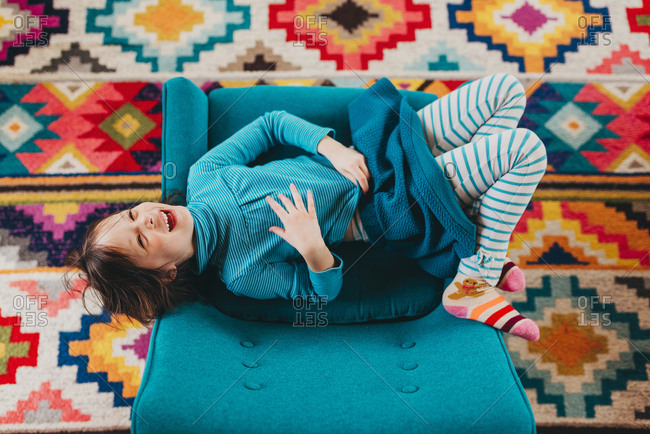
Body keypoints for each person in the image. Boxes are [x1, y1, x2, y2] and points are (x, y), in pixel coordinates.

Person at [64, 73, 546, 341]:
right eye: (143, 239)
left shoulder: (203, 178)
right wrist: (315, 250)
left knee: (507, 89)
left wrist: (330, 148)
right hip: (391, 206)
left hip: (374, 150)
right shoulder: (241, 272)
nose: (146, 219)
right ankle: (475, 276)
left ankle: (474, 221)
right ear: (166, 272)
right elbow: (318, 296)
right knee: (525, 150)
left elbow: (271, 124)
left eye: (132, 216)